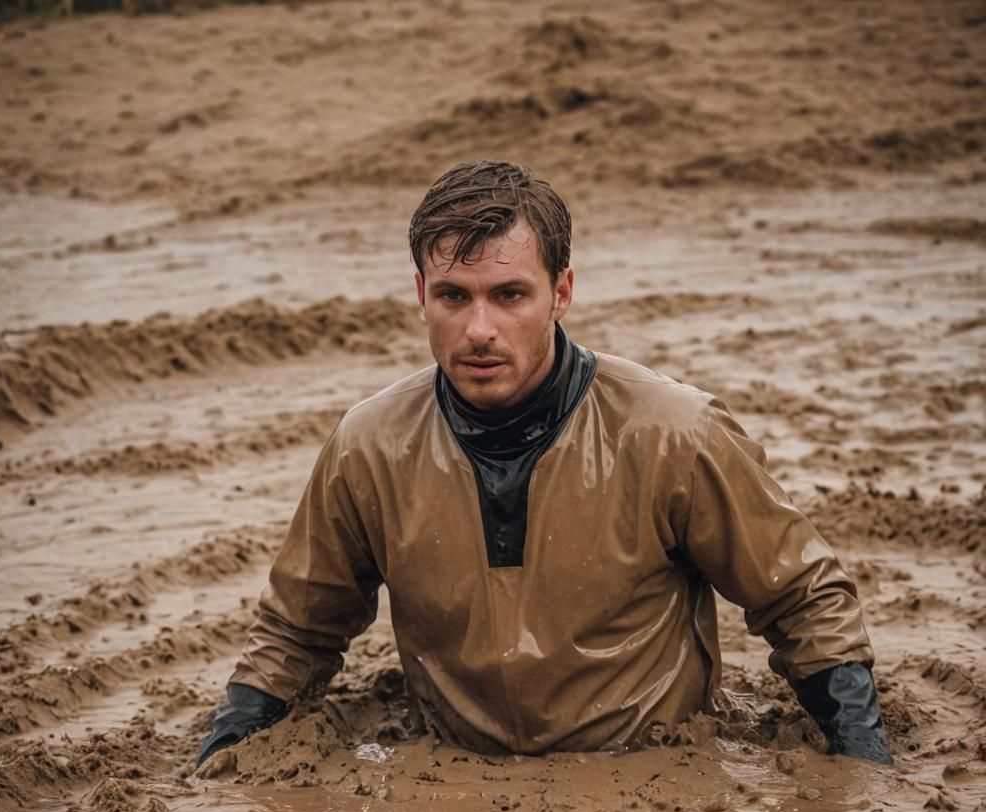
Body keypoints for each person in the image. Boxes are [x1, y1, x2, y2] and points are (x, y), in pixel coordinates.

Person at [197, 160, 892, 767]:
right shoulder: (368, 445)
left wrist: (866, 770)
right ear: (420, 296)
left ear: (561, 292)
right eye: (453, 296)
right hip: (453, 778)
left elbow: (801, 597)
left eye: (509, 295)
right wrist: (222, 758)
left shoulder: (673, 431)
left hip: (652, 769)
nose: (478, 330)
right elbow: (298, 629)